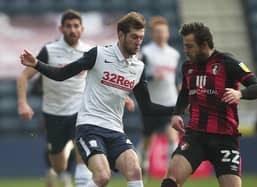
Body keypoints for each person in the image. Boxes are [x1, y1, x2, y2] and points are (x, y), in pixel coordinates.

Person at [19, 11, 174, 187]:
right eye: (134, 37)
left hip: (115, 130)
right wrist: (37, 64)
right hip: (89, 127)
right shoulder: (98, 54)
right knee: (101, 177)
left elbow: (147, 107)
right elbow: (62, 74)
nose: (138, 42)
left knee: (135, 171)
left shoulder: (138, 67)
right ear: (120, 34)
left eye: (140, 37)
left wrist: (179, 109)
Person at [160, 22, 257, 187]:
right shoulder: (187, 66)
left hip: (225, 138)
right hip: (195, 136)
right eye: (185, 46)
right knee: (170, 182)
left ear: (204, 45)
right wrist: (176, 113)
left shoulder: (227, 62)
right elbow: (185, 92)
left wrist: (240, 93)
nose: (185, 51)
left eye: (189, 46)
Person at [17, 9, 94, 187]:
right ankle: (58, 172)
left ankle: (81, 182)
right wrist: (22, 103)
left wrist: (121, 97)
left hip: (80, 110)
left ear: (82, 29)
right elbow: (24, 76)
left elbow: (102, 78)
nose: (72, 30)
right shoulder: (49, 51)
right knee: (59, 164)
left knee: (82, 153)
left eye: (76, 26)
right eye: (68, 26)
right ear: (61, 28)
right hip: (54, 113)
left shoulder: (89, 51)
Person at [138, 16, 180, 174]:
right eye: (157, 32)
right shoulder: (146, 53)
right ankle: (144, 159)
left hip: (170, 102)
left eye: (163, 32)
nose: (161, 35)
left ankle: (171, 172)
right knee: (148, 138)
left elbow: (175, 76)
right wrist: (153, 76)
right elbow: (139, 78)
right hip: (151, 103)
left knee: (173, 137)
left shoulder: (174, 54)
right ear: (151, 34)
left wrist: (179, 87)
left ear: (168, 33)